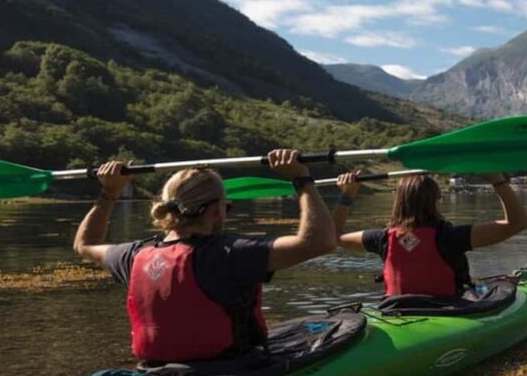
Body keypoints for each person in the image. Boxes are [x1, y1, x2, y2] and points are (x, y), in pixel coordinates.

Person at [73, 149, 335, 363]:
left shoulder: (133, 255)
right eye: (226, 207)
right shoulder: (230, 253)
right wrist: (302, 180)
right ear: (217, 212)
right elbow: (319, 242)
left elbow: (85, 244)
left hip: (157, 371)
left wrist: (109, 193)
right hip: (232, 371)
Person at [331, 172, 527, 298]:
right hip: (451, 311)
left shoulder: (381, 239)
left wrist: (346, 196)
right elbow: (518, 224)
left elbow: (334, 236)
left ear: (399, 201)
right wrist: (498, 181)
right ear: (435, 200)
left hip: (396, 310)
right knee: (503, 287)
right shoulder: (451, 237)